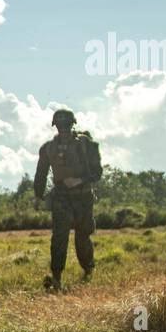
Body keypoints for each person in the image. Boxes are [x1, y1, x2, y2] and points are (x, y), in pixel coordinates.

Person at [33, 109, 101, 290]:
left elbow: (97, 172)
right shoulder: (48, 148)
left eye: (66, 125)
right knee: (59, 237)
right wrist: (38, 196)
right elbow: (40, 174)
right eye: (59, 126)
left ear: (72, 125)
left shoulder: (86, 144)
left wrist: (79, 180)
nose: (62, 129)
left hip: (83, 196)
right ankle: (56, 277)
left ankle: (88, 270)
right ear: (55, 126)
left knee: (83, 236)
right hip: (61, 198)